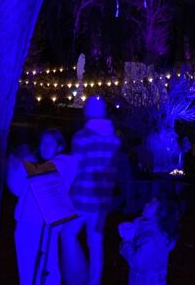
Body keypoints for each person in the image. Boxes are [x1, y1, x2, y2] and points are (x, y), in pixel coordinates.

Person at [7, 128, 78, 285]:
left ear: (59, 146)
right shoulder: (36, 168)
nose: (43, 147)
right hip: (25, 227)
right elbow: (16, 186)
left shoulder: (65, 162)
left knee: (47, 269)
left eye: (48, 143)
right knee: (27, 271)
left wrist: (24, 157)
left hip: (42, 228)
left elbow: (53, 170)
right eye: (42, 143)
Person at [70, 95, 124, 285]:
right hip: (102, 200)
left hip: (82, 197)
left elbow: (74, 167)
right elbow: (115, 169)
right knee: (96, 243)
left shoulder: (82, 136)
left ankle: (74, 275)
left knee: (68, 235)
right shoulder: (114, 139)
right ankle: (94, 280)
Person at [118, 196, 179, 285]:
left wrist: (127, 241)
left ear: (159, 214)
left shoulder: (151, 239)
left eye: (151, 204)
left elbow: (135, 263)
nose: (146, 204)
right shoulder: (158, 229)